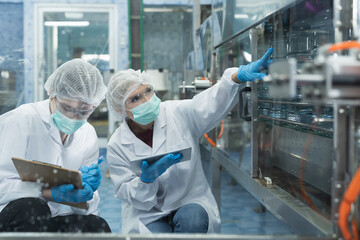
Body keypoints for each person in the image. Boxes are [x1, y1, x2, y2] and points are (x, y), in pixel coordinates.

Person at [106, 48, 273, 234]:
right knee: (153, 234)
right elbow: (131, 195)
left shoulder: (177, 113)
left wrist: (236, 77)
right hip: (146, 211)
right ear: (121, 109)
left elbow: (210, 103)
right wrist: (146, 180)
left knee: (192, 221)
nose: (146, 100)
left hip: (189, 200)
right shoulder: (117, 145)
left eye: (148, 91)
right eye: (135, 98)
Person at [0, 59, 111, 232]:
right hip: (13, 215)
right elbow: (2, 186)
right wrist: (48, 193)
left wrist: (86, 192)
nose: (74, 117)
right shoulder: (23, 120)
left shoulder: (87, 133)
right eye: (67, 108)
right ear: (52, 92)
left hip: (51, 217)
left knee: (97, 226)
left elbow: (88, 208)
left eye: (84, 111)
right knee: (33, 208)